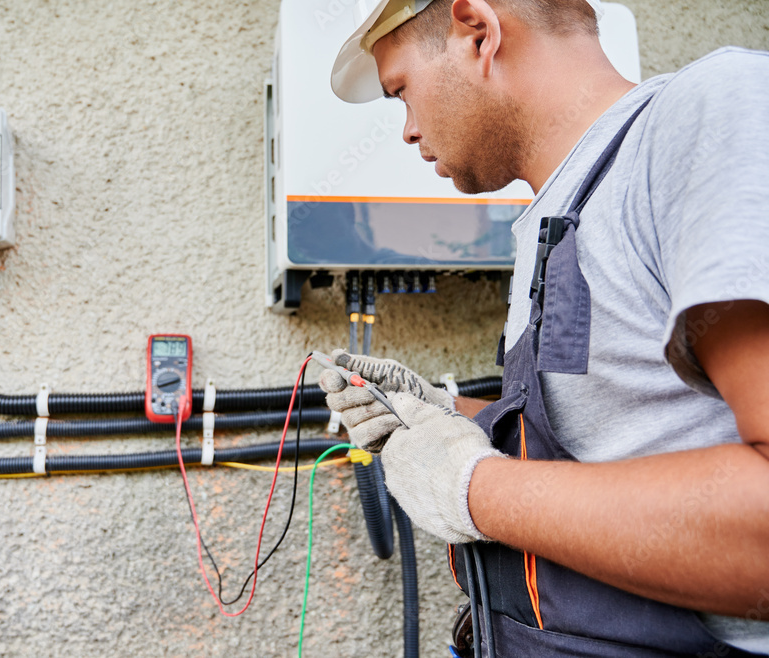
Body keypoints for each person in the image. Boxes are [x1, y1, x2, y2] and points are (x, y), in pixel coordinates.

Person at [320, 0, 769, 655]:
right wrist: (440, 414)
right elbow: (614, 443)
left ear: (477, 32)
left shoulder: (711, 113)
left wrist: (469, 487)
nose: (409, 131)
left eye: (401, 93)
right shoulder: (559, 211)